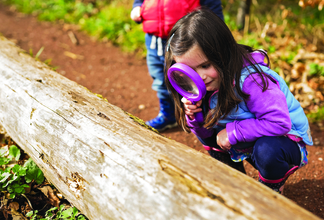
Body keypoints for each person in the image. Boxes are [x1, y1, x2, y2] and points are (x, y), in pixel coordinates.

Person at [164, 8, 313, 194]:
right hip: (248, 139)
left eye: (205, 65)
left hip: (284, 141)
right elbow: (205, 132)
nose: (199, 77)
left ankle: (272, 187)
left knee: (267, 151)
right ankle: (236, 183)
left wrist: (233, 132)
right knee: (208, 134)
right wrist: (194, 116)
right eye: (190, 70)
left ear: (223, 53)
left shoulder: (252, 80)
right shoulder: (205, 85)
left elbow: (279, 123)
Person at [130, 0, 224, 131]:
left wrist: (216, 33)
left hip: (187, 41)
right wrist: (137, 7)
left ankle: (205, 117)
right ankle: (168, 114)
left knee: (195, 78)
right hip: (154, 39)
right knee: (160, 78)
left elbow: (212, 7)